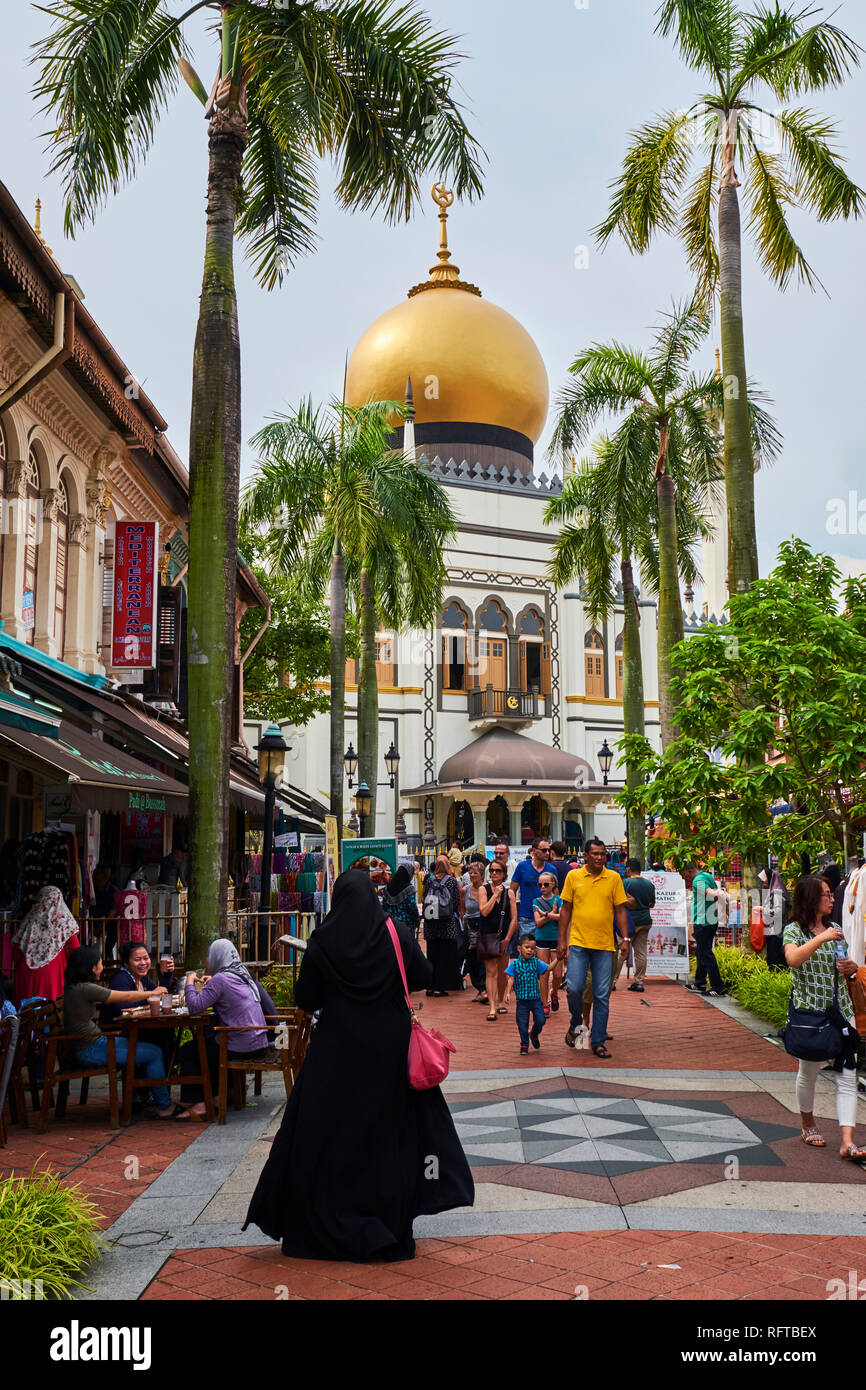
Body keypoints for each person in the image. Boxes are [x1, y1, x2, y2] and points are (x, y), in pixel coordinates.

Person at [244, 871, 474, 1261]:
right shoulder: (396, 932)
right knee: (388, 1137)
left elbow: (306, 997)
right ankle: (387, 1225)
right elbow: (423, 976)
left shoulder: (324, 939)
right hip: (389, 1052)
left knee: (327, 1136)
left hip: (336, 1054)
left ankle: (327, 1222)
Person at [783, 876, 866, 1161]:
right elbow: (793, 960)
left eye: (832, 894)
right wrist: (820, 938)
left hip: (841, 1013)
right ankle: (808, 1124)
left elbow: (845, 970)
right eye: (827, 895)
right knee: (809, 1072)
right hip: (811, 1014)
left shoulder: (837, 929)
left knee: (847, 1076)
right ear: (810, 899)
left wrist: (851, 968)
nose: (832, 899)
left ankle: (847, 1141)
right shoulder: (794, 931)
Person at [63, 944, 188, 1119]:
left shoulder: (76, 987)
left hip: (93, 1042)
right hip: (90, 1048)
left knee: (156, 1046)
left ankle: (150, 1097)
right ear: (91, 967)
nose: (102, 968)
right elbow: (126, 996)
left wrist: (161, 982)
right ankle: (164, 1105)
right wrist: (151, 993)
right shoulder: (85, 988)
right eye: (100, 964)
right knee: (154, 1052)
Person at [180, 939, 274, 1115]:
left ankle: (200, 1103)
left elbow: (194, 1007)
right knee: (210, 1043)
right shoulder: (242, 972)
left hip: (240, 1046)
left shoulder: (221, 980)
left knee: (191, 1050)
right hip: (258, 1042)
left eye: (209, 955)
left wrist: (189, 981)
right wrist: (214, 980)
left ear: (217, 957)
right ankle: (226, 1092)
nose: (207, 959)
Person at [557, 836, 630, 1059]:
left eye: (602, 854)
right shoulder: (573, 876)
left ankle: (597, 1041)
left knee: (601, 995)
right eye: (595, 854)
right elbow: (566, 909)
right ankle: (576, 1022)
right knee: (574, 988)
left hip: (605, 946)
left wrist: (625, 939)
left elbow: (620, 910)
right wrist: (562, 940)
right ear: (585, 856)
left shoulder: (614, 878)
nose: (599, 858)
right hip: (579, 943)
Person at [11, 886, 81, 1005]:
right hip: (51, 975)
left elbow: (15, 954)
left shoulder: (29, 920)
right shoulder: (65, 921)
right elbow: (76, 952)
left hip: (25, 974)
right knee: (50, 1014)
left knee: (25, 1016)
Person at [99, 940, 175, 1032]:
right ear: (126, 963)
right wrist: (148, 997)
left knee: (167, 1029)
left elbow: (160, 993)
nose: (143, 963)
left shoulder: (143, 978)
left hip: (136, 1027)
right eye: (137, 959)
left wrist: (168, 973)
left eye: (146, 958)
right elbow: (121, 1010)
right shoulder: (120, 979)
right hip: (120, 1033)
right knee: (164, 1031)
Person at [478, 859, 517, 1020]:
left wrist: (508, 938)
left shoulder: (510, 893)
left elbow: (514, 918)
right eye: (492, 870)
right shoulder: (483, 889)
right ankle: (492, 1006)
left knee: (502, 971)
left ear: (504, 874)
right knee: (491, 971)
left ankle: (500, 1001)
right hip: (487, 934)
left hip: (504, 936)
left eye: (498, 871)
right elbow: (484, 911)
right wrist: (494, 895)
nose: (494, 873)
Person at [421, 856, 462, 996]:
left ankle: (430, 987)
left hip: (430, 923)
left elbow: (424, 897)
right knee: (444, 956)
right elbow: (455, 900)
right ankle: (440, 987)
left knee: (432, 955)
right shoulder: (451, 881)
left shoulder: (429, 879)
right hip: (446, 923)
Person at [504, 935, 549, 1055]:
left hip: (535, 999)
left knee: (541, 1020)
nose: (530, 950)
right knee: (522, 1023)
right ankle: (524, 1044)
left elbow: (548, 969)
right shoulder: (515, 964)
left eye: (533, 948)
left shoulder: (536, 962)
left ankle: (534, 1034)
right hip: (522, 1001)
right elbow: (510, 979)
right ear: (519, 948)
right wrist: (508, 992)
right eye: (527, 947)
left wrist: (558, 959)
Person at [688, 861, 727, 996]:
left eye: (683, 874)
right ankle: (700, 982)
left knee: (706, 953)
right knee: (701, 951)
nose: (683, 877)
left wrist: (717, 896)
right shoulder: (706, 875)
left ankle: (718, 986)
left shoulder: (697, 880)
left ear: (688, 871)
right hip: (710, 919)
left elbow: (710, 892)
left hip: (703, 921)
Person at [620, 858, 655, 993]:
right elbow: (652, 904)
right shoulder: (649, 884)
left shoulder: (625, 883)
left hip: (629, 922)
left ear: (628, 869)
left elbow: (620, 901)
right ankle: (639, 982)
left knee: (621, 951)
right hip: (645, 920)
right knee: (641, 953)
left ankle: (613, 981)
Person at [511, 837, 552, 944]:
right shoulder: (522, 867)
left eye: (549, 850)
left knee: (544, 954)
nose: (547, 853)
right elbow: (511, 892)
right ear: (534, 851)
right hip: (526, 917)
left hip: (546, 918)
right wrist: (513, 917)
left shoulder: (552, 869)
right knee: (527, 952)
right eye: (544, 850)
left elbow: (555, 894)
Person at [532, 871, 563, 1012]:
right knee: (543, 973)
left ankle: (554, 993)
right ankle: (544, 1004)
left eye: (546, 884)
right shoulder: (536, 901)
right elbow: (538, 923)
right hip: (542, 939)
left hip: (556, 939)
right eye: (540, 885)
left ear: (553, 884)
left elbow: (562, 917)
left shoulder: (559, 899)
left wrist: (547, 914)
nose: (542, 887)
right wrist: (550, 914)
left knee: (557, 975)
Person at [462, 860, 489, 1003]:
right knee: (472, 958)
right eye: (470, 872)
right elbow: (462, 910)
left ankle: (485, 988)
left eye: (475, 873)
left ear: (482, 875)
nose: (472, 875)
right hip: (470, 926)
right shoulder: (465, 890)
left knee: (483, 958)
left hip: (483, 925)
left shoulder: (487, 889)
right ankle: (479, 988)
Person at [381, 862, 421, 940]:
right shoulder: (409, 889)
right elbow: (412, 909)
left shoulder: (387, 888)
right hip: (406, 927)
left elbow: (384, 907)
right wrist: (417, 921)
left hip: (390, 926)